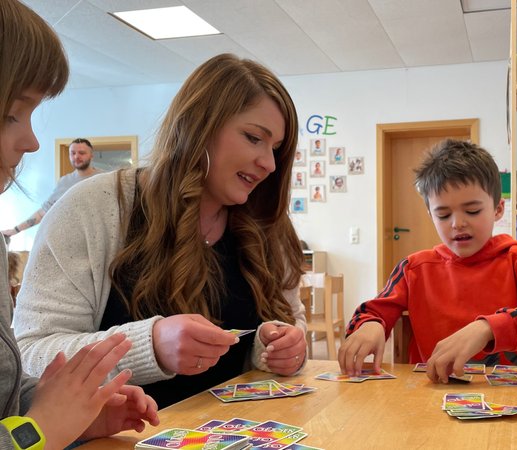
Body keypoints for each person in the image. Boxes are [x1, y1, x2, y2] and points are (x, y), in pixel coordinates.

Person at [13, 53, 308, 408]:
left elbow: (293, 321)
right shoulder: (92, 208)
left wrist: (280, 347)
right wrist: (148, 345)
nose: (269, 164)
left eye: (276, 149)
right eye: (253, 138)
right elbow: (30, 356)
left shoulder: (267, 224)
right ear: (200, 125)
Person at [0, 1, 158, 448]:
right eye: (13, 113)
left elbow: (6, 403)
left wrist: (73, 417)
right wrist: (42, 429)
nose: (31, 141)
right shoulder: (80, 197)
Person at [338, 139, 517, 383]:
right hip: (433, 399)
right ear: (430, 215)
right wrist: (370, 325)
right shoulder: (413, 268)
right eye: (443, 214)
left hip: (515, 401)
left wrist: (487, 329)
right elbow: (374, 310)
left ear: (498, 209)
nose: (457, 223)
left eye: (472, 211)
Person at [2, 137, 101, 237]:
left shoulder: (104, 178)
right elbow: (44, 212)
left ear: (91, 155)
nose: (76, 157)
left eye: (82, 153)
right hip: (74, 240)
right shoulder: (65, 182)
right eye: (73, 153)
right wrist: (14, 230)